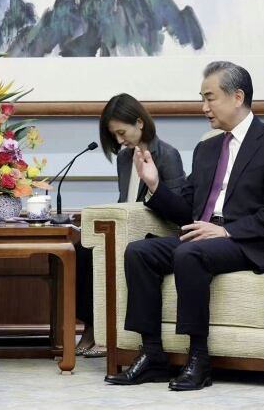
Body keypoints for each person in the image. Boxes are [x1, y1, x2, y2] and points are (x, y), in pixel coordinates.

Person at [103, 62, 264, 390]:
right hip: (203, 236)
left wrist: (227, 231)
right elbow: (187, 210)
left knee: (189, 254)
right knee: (139, 252)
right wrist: (154, 185)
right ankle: (152, 354)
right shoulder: (207, 147)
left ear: (237, 97)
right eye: (202, 98)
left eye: (210, 98)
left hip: (245, 241)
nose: (203, 107)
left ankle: (199, 359)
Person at [75, 93, 185, 357]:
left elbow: (178, 208)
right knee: (82, 249)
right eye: (114, 136)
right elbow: (124, 200)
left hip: (156, 231)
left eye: (122, 132)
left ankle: (106, 335)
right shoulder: (125, 159)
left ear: (140, 122)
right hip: (127, 227)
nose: (119, 141)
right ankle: (91, 326)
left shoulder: (168, 155)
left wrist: (151, 185)